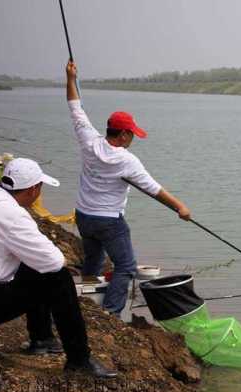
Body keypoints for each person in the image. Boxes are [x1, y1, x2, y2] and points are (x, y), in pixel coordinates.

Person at [65, 60, 192, 317]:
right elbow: (154, 189)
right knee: (125, 265)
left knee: (94, 260)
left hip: (83, 215)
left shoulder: (88, 140)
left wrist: (70, 78)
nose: (133, 138)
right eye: (132, 134)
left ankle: (86, 300)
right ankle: (110, 313)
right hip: (109, 221)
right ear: (122, 135)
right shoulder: (127, 160)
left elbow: (75, 108)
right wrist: (180, 207)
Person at [0, 158, 117, 378]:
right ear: (32, 189)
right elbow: (54, 262)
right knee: (57, 277)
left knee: (33, 266)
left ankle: (42, 338)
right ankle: (79, 359)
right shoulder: (13, 215)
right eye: (40, 187)